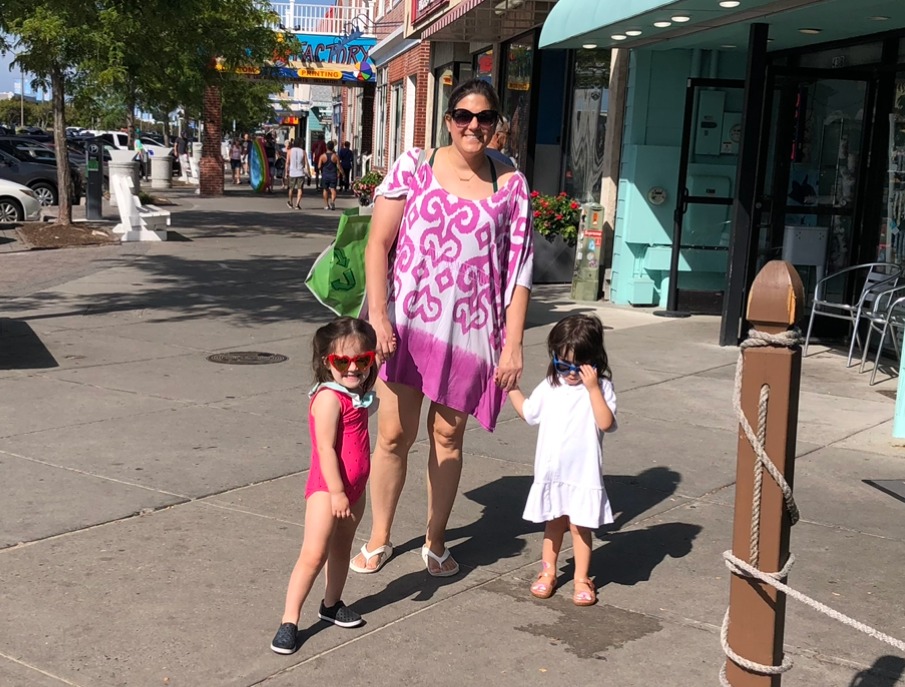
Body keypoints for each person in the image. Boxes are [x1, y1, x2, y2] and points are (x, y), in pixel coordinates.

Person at [349, 78, 533, 578]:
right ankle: (381, 537)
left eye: (485, 117)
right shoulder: (414, 165)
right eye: (463, 116)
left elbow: (519, 273)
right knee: (392, 434)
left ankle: (435, 540)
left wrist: (513, 346)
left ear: (497, 124)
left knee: (448, 436)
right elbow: (377, 246)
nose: (473, 126)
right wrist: (380, 317)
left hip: (471, 336)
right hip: (405, 326)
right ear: (448, 119)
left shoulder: (510, 184)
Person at [270, 317, 379, 655]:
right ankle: (289, 620)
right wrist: (336, 492)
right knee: (314, 553)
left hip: (354, 488)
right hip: (328, 489)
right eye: (342, 361)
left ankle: (331, 605)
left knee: (342, 548)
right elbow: (326, 449)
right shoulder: (329, 399)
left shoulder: (355, 393)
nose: (353, 368)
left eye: (362, 360)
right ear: (325, 361)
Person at [508, 314, 616, 607]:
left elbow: (606, 422)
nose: (570, 373)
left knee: (581, 527)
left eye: (578, 367)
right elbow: (530, 413)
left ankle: (582, 578)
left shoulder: (602, 388)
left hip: (583, 475)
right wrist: (511, 389)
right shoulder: (550, 385)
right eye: (562, 364)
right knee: (553, 524)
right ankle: (548, 572)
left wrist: (593, 388)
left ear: (594, 361)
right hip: (554, 472)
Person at [318, 141, 341, 210]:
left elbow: (319, 166)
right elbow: (339, 167)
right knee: (333, 189)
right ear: (333, 147)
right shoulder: (335, 156)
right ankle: (332, 202)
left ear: (326, 147)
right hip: (333, 175)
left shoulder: (322, 156)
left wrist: (322, 167)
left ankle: (326, 205)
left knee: (325, 189)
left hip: (325, 175)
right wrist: (342, 173)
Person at [286, 139, 307, 209]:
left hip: (292, 172)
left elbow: (287, 163)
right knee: (300, 189)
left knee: (291, 188)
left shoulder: (289, 151)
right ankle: (297, 204)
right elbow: (305, 163)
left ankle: (290, 202)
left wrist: (286, 172)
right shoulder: (303, 152)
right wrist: (308, 173)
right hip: (300, 172)